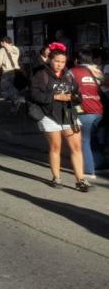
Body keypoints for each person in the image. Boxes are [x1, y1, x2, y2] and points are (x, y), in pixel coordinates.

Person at [29, 44, 89, 192]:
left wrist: (73, 97)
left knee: (76, 147)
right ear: (50, 59)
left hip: (68, 114)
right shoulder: (40, 74)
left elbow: (78, 95)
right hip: (48, 115)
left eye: (62, 62)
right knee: (55, 147)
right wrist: (55, 96)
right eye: (56, 61)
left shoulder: (69, 75)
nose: (59, 64)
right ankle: (56, 177)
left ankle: (80, 180)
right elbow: (34, 95)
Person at [71, 50, 103, 180]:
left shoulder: (73, 72)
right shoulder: (97, 71)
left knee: (84, 140)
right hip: (98, 109)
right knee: (93, 137)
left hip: (84, 109)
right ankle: (99, 163)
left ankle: (89, 170)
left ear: (77, 60)